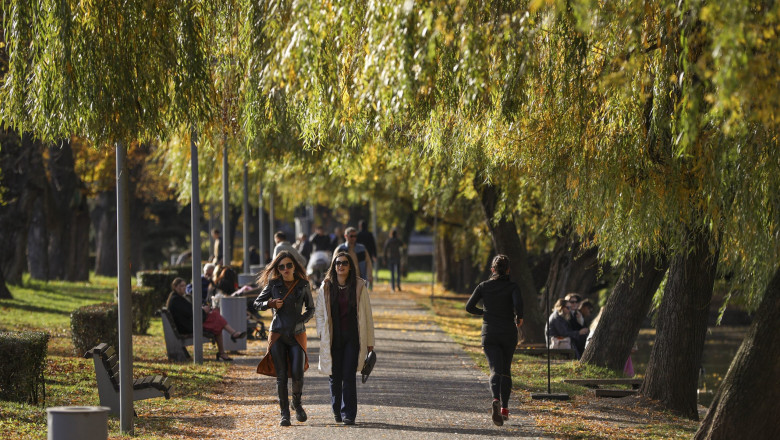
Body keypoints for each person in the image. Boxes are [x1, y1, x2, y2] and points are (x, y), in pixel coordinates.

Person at [253, 251, 315, 426]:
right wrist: (270, 304)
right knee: (281, 376)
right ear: (278, 269)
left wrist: (301, 320)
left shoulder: (303, 284)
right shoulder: (273, 284)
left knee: (297, 373)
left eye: (289, 265)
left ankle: (297, 402)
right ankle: (284, 414)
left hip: (297, 333)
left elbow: (311, 308)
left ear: (294, 266)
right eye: (281, 267)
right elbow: (256, 303)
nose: (286, 269)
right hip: (278, 333)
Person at [315, 251, 375, 425]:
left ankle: (349, 413)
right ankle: (336, 411)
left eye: (344, 263)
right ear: (333, 266)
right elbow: (319, 313)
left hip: (352, 337)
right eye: (337, 263)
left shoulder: (359, 286)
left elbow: (367, 315)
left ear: (350, 266)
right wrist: (321, 333)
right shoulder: (326, 286)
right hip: (333, 337)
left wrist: (370, 342)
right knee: (335, 375)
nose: (340, 266)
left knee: (348, 375)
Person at [465, 255, 524, 426]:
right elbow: (519, 305)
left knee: (494, 369)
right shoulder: (513, 287)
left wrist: (483, 312)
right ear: (508, 270)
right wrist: (519, 318)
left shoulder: (483, 286)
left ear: (492, 270)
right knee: (506, 369)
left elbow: (469, 307)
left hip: (489, 332)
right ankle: (505, 408)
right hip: (508, 332)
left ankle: (495, 398)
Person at [167, 278, 246, 361]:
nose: (184, 288)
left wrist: (202, 311)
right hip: (188, 327)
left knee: (216, 319)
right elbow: (191, 313)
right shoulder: (176, 300)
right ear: (175, 287)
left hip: (188, 324)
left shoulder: (176, 298)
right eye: (181, 286)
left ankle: (229, 340)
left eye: (184, 285)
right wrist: (203, 311)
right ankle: (232, 336)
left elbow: (189, 311)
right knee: (216, 316)